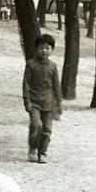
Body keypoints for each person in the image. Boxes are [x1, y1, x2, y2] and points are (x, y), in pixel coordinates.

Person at [22, 34, 62, 164]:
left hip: (49, 103)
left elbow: (56, 85)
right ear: (36, 49)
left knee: (47, 129)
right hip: (34, 102)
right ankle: (33, 148)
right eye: (41, 48)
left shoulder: (53, 66)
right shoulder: (31, 64)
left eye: (47, 48)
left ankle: (42, 152)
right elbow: (26, 84)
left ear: (51, 50)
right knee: (36, 125)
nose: (44, 51)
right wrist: (26, 101)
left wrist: (58, 103)